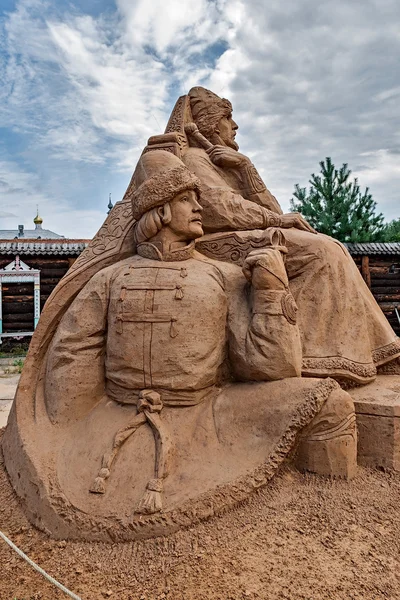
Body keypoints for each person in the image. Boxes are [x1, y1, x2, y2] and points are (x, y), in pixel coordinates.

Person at [3, 150, 356, 539]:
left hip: (208, 412)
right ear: (162, 211)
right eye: (188, 198)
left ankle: (326, 522)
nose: (199, 206)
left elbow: (271, 367)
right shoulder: (109, 279)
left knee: (332, 406)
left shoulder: (223, 276)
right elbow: (74, 354)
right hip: (112, 419)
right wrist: (74, 426)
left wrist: (271, 292)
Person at [179, 86, 400, 385]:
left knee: (332, 246)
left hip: (250, 236)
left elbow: (274, 209)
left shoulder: (228, 161)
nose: (235, 125)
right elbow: (218, 209)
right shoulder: (195, 159)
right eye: (228, 117)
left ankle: (370, 351)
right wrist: (275, 219)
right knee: (322, 252)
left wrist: (246, 168)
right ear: (209, 122)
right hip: (216, 243)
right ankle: (316, 357)